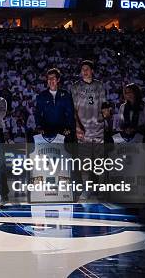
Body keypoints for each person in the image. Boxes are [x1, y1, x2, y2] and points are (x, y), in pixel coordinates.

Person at [70, 60, 106, 201]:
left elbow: (104, 105)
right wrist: (78, 126)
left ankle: (101, 189)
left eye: (87, 69)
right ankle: (86, 189)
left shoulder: (100, 85)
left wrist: (106, 115)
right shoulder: (75, 87)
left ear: (92, 71)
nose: (84, 71)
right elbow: (73, 109)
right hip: (83, 129)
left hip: (98, 128)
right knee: (85, 162)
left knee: (99, 162)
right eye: (82, 69)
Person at [34, 68, 75, 140]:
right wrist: (39, 126)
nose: (51, 80)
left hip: (62, 131)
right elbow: (37, 113)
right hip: (46, 131)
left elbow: (70, 113)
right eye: (49, 78)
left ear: (58, 80)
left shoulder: (65, 94)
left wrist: (69, 127)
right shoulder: (42, 95)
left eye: (53, 78)